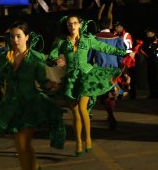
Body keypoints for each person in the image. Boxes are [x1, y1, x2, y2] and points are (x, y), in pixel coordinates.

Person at [0, 21, 65, 170]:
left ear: (27, 37)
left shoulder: (36, 57)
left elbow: (41, 79)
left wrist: (51, 85)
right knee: (22, 144)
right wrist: (4, 66)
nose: (15, 40)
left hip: (30, 103)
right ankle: (35, 168)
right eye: (12, 36)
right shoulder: (4, 56)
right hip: (11, 105)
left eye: (18, 36)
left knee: (23, 144)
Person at [49, 15, 135, 155]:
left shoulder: (88, 39)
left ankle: (88, 139)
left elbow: (104, 47)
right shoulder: (62, 42)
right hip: (71, 79)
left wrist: (123, 52)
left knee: (83, 108)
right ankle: (78, 142)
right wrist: (56, 60)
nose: (72, 26)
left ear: (80, 24)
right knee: (75, 113)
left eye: (75, 23)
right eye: (69, 24)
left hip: (87, 77)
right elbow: (51, 57)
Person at [93, 17, 127, 130]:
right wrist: (121, 67)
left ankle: (111, 116)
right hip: (113, 70)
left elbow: (89, 56)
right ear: (110, 26)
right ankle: (110, 114)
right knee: (112, 93)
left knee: (104, 94)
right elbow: (121, 54)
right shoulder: (117, 38)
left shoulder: (94, 38)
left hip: (100, 70)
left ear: (99, 26)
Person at [114, 22, 136, 99]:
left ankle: (131, 94)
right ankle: (120, 94)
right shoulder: (114, 35)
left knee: (127, 77)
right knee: (119, 77)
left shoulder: (126, 35)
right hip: (118, 59)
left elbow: (129, 48)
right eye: (117, 27)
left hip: (126, 59)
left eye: (120, 27)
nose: (118, 28)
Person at [142, 29, 158, 98]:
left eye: (148, 32)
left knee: (154, 78)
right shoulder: (148, 40)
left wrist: (148, 49)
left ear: (153, 32)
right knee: (150, 77)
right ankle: (153, 93)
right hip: (150, 61)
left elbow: (153, 50)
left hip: (155, 61)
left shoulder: (155, 40)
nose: (147, 33)